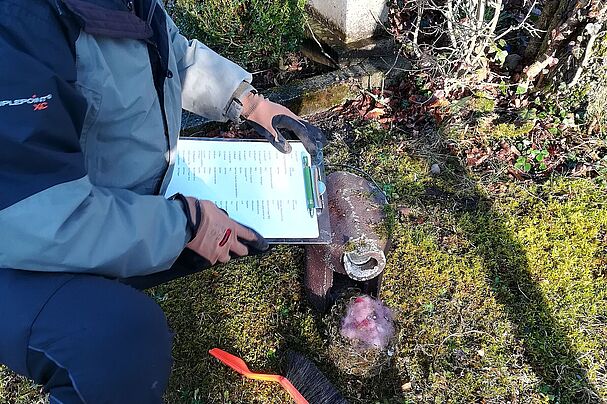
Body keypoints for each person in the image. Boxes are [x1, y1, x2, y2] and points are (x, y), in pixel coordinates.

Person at [0, 0, 325, 402]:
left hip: (85, 206)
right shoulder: (19, 27)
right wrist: (184, 224)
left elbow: (166, 51)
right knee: (120, 342)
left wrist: (249, 103)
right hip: (17, 244)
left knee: (220, 232)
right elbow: (35, 216)